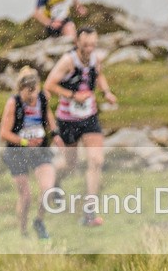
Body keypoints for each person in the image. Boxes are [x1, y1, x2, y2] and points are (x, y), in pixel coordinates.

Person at [43, 26, 117, 226]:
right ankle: (56, 182)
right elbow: (48, 85)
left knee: (96, 161)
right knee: (70, 164)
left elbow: (99, 75)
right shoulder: (68, 61)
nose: (90, 48)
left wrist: (106, 92)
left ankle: (89, 213)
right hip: (68, 119)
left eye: (93, 44)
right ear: (77, 43)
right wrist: (73, 95)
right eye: (85, 45)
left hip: (89, 117)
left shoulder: (95, 58)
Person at [0, 66, 64, 239]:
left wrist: (55, 134)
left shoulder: (42, 98)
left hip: (40, 150)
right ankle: (23, 231)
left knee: (47, 189)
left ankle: (39, 221)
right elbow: (4, 133)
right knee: (26, 197)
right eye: (29, 94)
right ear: (21, 90)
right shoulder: (13, 103)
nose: (32, 97)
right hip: (17, 152)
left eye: (35, 92)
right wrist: (25, 142)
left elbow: (49, 116)